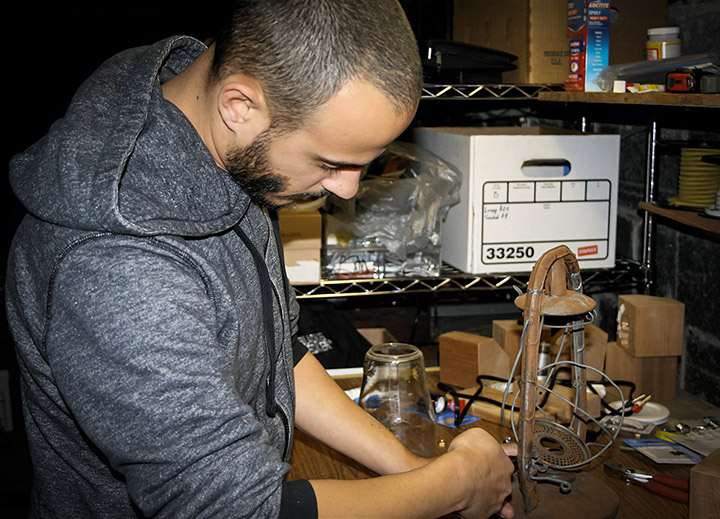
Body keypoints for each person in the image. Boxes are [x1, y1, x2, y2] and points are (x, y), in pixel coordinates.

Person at [6, 1, 516, 517]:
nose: (347, 189)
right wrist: (456, 484)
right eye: (330, 162)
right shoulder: (116, 269)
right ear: (239, 105)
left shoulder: (228, 147)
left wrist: (411, 469)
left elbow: (274, 352)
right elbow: (233, 510)